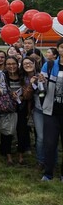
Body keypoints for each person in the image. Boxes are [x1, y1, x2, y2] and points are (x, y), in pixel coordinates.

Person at [40, 38, 63, 181]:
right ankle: (48, 173)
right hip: (51, 111)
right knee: (49, 143)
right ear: (58, 49)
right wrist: (40, 82)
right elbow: (41, 90)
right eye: (62, 47)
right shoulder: (49, 65)